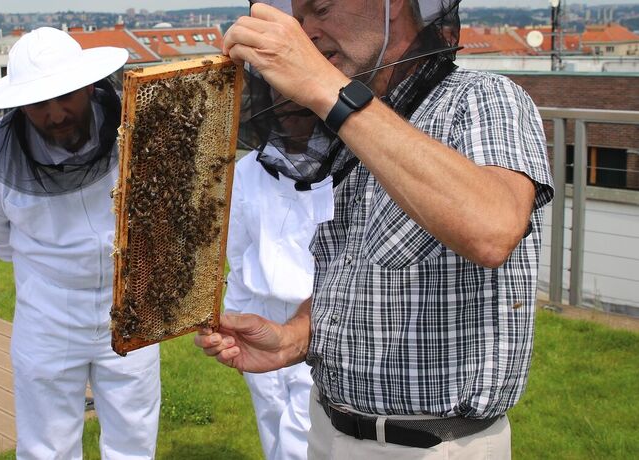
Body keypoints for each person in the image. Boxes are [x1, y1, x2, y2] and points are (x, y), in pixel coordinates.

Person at [195, 0, 553, 458]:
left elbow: (494, 227)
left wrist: (327, 88)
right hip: (327, 429)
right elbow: (357, 271)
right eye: (300, 18)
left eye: (321, 9)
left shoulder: (481, 98)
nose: (307, 32)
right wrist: (292, 338)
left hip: (434, 446)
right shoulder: (357, 124)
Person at [0, 27, 161, 459]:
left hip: (131, 300)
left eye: (65, 97)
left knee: (134, 438)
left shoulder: (134, 127)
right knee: (46, 446)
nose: (55, 115)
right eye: (38, 103)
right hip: (47, 311)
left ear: (89, 86)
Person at [223, 146, 331, 460]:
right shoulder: (246, 170)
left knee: (303, 441)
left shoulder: (346, 164)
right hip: (259, 317)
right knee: (271, 431)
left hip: (316, 320)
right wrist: (235, 320)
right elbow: (239, 258)